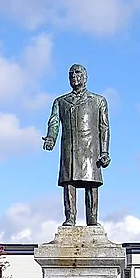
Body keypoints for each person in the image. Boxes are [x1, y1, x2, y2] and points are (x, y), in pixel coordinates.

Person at [42, 64, 110, 226]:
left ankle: (92, 218)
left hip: (91, 149)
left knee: (91, 183)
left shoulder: (98, 101)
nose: (74, 76)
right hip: (69, 147)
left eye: (78, 73)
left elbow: (104, 127)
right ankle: (70, 217)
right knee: (69, 181)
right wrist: (51, 137)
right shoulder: (60, 101)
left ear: (85, 77)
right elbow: (54, 122)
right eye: (71, 74)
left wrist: (105, 151)